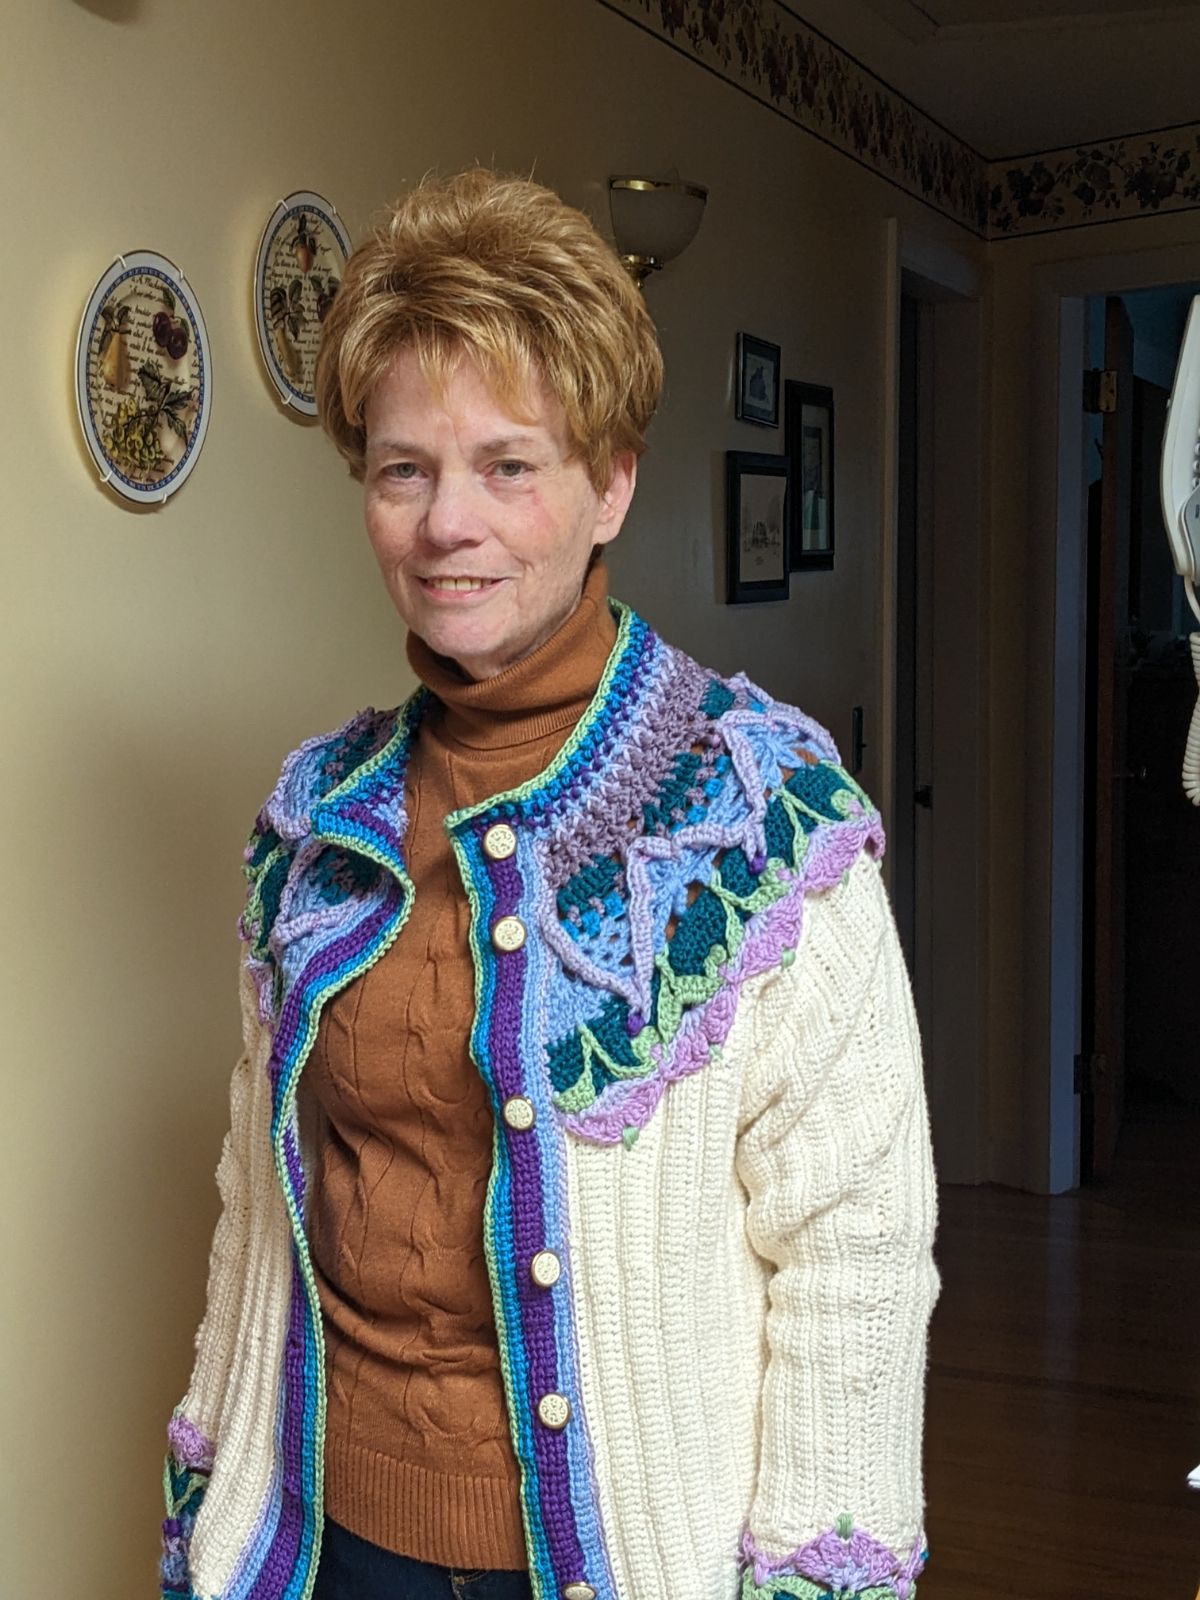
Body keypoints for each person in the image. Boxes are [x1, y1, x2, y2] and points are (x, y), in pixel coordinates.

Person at [159, 168, 939, 1600]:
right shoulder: (314, 818)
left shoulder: (761, 810)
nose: (449, 522)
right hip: (327, 1542)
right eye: (405, 469)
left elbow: (857, 1251)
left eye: (508, 464)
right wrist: (214, 1484)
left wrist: (820, 1577)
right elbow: (253, 1191)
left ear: (611, 486)